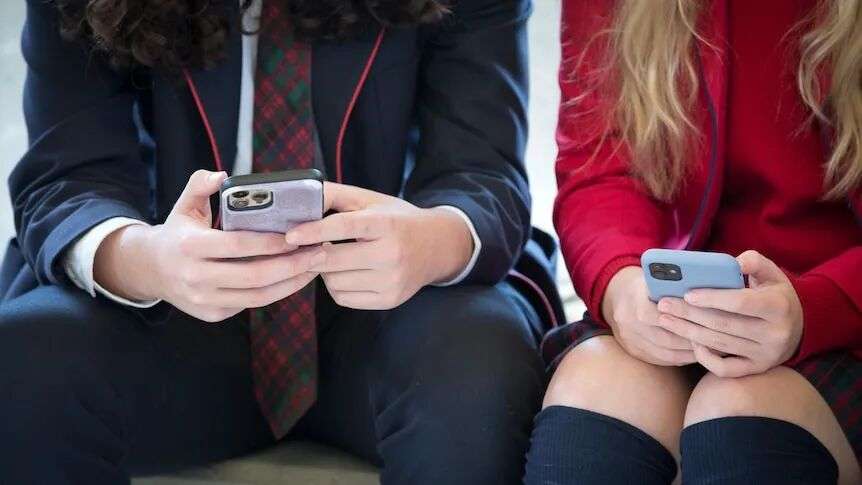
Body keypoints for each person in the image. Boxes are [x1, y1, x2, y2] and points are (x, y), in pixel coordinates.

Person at [0, 0, 559, 483]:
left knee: (476, 360)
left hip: (383, 309)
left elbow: (481, 173)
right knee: (32, 351)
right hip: (170, 309)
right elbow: (69, 176)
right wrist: (148, 260)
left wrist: (427, 243)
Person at [525, 0, 862, 484]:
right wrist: (621, 287)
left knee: (739, 422)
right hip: (676, 301)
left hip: (845, 315)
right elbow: (600, 167)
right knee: (595, 396)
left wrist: (817, 309)